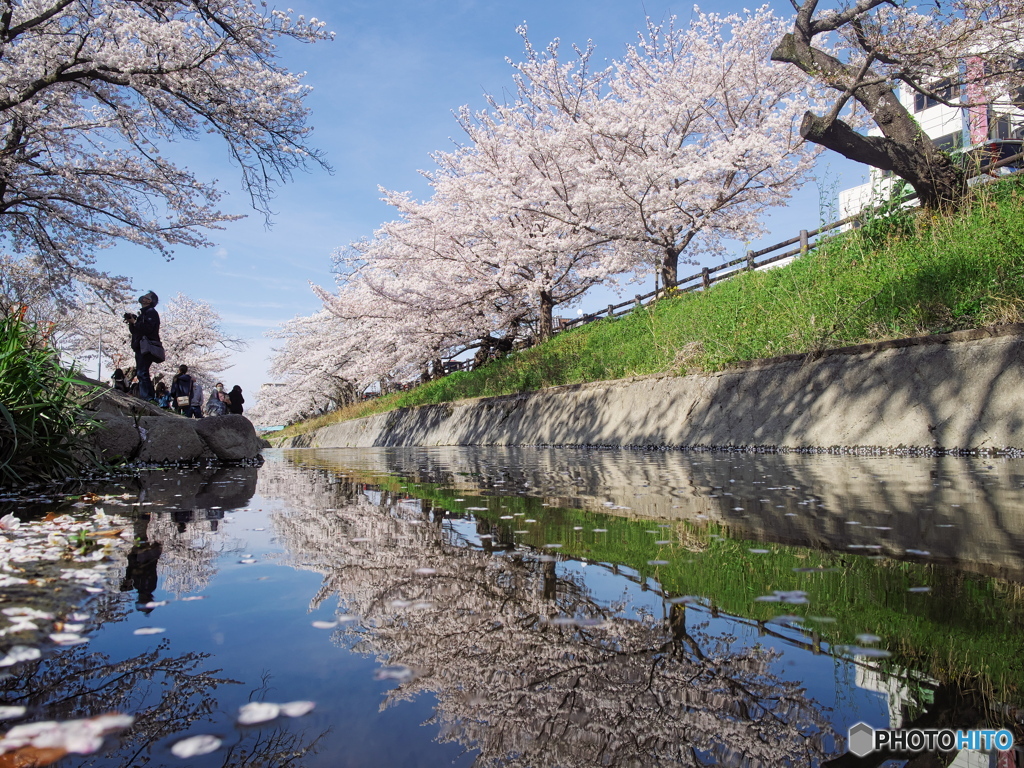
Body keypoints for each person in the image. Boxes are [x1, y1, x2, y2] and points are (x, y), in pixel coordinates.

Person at [125, 291, 161, 401]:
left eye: (146, 297)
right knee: (142, 372)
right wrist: (132, 322)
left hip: (146, 346)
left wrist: (136, 322)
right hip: (140, 345)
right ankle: (148, 397)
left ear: (149, 301)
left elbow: (148, 329)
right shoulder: (144, 313)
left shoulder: (151, 313)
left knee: (142, 372)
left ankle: (147, 398)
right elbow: (135, 331)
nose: (143, 298)